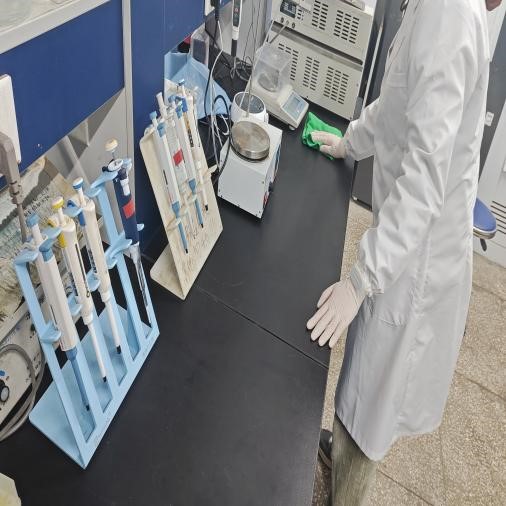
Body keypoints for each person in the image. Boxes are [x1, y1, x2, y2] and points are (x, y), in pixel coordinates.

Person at [307, 0, 501, 504]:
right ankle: (342, 449)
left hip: (415, 258)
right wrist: (350, 142)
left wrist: (361, 278)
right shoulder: (436, 7)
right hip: (402, 239)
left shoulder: (450, 14)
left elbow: (423, 180)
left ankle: (346, 489)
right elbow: (397, 103)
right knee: (364, 384)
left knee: (371, 402)